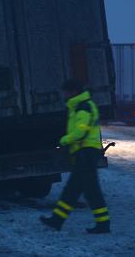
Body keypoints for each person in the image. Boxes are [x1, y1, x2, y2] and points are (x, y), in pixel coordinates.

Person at [40, 79, 110, 234]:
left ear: (73, 92)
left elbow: (81, 131)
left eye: (66, 91)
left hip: (86, 152)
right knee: (73, 189)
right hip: (84, 152)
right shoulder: (79, 105)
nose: (64, 94)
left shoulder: (83, 107)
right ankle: (57, 220)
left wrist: (65, 140)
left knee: (91, 190)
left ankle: (103, 224)